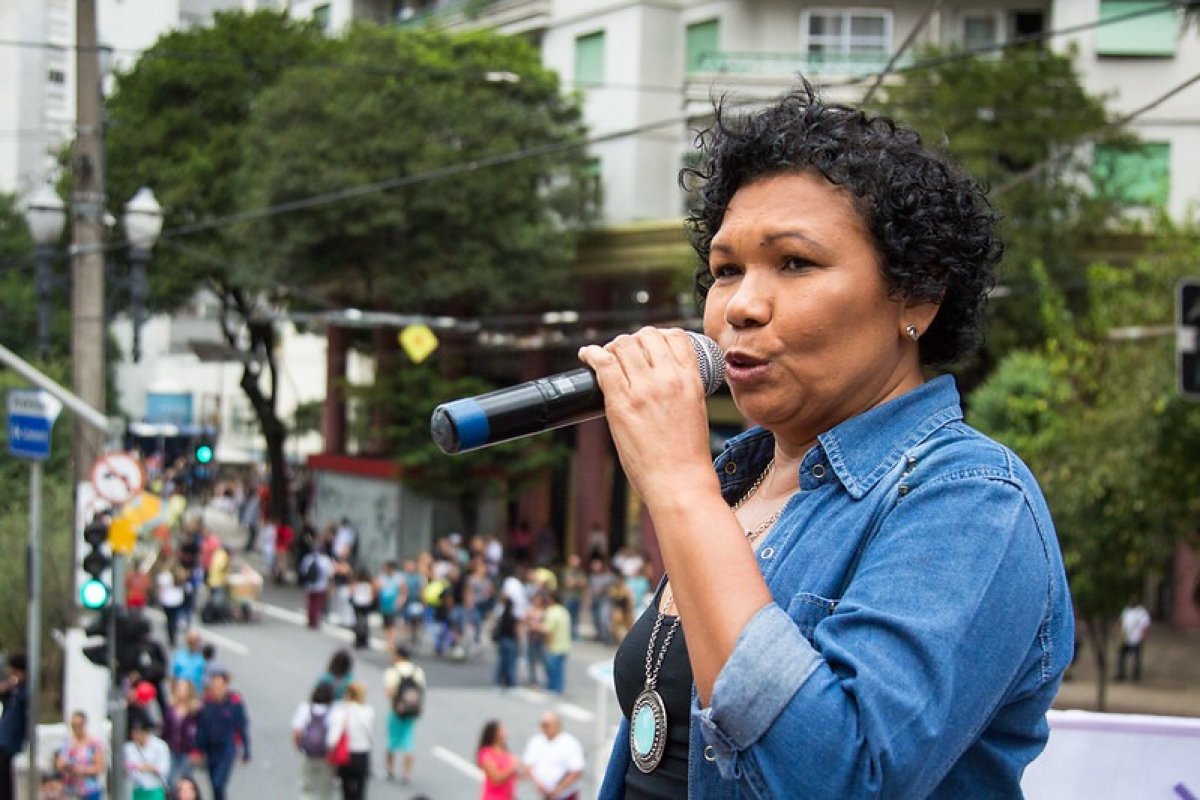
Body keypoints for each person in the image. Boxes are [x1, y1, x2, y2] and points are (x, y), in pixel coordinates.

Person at [583, 82, 1074, 798]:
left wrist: (680, 489)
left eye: (795, 263)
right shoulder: (735, 481)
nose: (742, 306)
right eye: (726, 270)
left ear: (918, 296)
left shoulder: (971, 501)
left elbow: (845, 775)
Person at [194, 670, 249, 800]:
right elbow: (202, 727)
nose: (216, 688)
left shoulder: (234, 703)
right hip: (210, 749)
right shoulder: (207, 704)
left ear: (226, 686)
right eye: (214, 685)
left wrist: (246, 749)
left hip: (226, 749)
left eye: (220, 685)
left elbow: (242, 725)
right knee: (213, 783)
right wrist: (198, 748)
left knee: (219, 782)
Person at [382, 645, 425, 784]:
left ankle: (390, 769)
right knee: (408, 739)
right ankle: (406, 773)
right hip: (412, 709)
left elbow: (390, 692)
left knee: (392, 739)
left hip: (396, 709)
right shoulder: (417, 671)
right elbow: (421, 690)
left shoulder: (392, 671)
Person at [325, 681, 374, 800]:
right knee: (361, 788)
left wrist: (328, 750)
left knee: (347, 789)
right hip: (363, 753)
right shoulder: (369, 711)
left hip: (347, 754)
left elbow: (334, 737)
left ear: (348, 694)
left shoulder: (342, 711)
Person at [521, 712, 585, 800]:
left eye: (547, 725)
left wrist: (559, 788)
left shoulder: (570, 743)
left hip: (565, 795)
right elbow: (528, 765)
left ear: (557, 725)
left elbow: (577, 771)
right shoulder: (536, 741)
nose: (544, 728)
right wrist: (538, 783)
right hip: (544, 794)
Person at [291, 681, 336, 800]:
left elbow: (297, 730)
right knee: (325, 789)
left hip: (308, 752)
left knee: (307, 786)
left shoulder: (305, 707)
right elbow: (335, 736)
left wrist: (297, 746)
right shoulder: (334, 711)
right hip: (326, 754)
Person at [54, 711, 106, 800]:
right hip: (70, 789)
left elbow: (99, 767)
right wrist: (66, 766)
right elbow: (58, 763)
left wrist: (81, 769)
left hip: (89, 789)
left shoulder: (94, 744)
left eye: (79, 725)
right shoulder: (66, 743)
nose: (76, 728)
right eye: (74, 725)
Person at [161, 678, 201, 789]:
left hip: (188, 749)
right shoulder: (171, 709)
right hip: (173, 747)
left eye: (184, 689)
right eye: (179, 689)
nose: (181, 692)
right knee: (169, 778)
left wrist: (197, 750)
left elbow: (200, 731)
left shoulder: (195, 710)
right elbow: (166, 729)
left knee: (186, 779)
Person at [0, 654, 29, 800]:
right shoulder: (14, 690)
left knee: (5, 778)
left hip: (10, 740)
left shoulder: (25, 690)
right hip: (4, 738)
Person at [124, 715, 171, 800]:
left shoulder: (160, 746)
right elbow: (128, 767)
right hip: (137, 789)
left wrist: (144, 767)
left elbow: (163, 769)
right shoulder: (129, 747)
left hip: (155, 788)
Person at [476, 720, 518, 800]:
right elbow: (496, 778)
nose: (505, 731)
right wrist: (512, 767)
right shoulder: (486, 754)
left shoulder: (505, 751)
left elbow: (512, 777)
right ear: (495, 734)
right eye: (502, 730)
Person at [541, 591, 572, 695]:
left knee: (552, 669)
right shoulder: (564, 611)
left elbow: (548, 630)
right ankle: (559, 689)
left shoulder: (552, 612)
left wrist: (535, 627)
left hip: (554, 645)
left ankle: (552, 689)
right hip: (565, 645)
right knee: (560, 670)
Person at [298, 545, 335, 629]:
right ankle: (315, 621)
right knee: (318, 604)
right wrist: (330, 585)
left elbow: (303, 571)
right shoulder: (326, 560)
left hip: (309, 585)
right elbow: (330, 574)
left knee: (310, 603)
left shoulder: (308, 558)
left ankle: (310, 620)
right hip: (321, 585)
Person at [1117, 597, 1152, 682]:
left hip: (1136, 638)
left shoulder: (1142, 612)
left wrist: (1142, 636)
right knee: (1121, 656)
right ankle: (1121, 674)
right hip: (1126, 638)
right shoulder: (1126, 610)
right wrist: (1120, 635)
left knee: (1137, 658)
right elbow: (1121, 622)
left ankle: (1136, 675)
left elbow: (1145, 625)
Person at [492, 596, 520, 691]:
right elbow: (515, 631)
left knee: (501, 663)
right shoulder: (513, 617)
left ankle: (498, 683)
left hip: (502, 640)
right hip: (510, 641)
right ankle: (510, 684)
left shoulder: (502, 616)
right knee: (510, 664)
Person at [350, 568, 376, 650]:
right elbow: (372, 594)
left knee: (359, 621)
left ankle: (359, 639)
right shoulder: (368, 584)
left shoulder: (357, 584)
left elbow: (352, 592)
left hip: (358, 603)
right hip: (365, 604)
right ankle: (364, 639)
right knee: (364, 622)